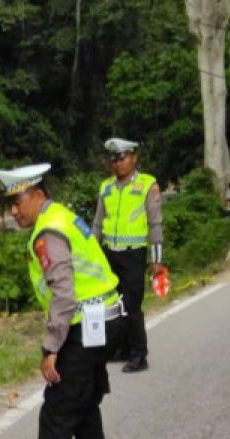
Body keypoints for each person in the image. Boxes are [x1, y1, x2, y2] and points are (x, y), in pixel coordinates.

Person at [0, 162, 123, 439]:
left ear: (37, 195)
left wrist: (51, 348)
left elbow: (63, 296)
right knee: (83, 400)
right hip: (106, 320)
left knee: (58, 410)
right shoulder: (62, 215)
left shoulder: (47, 232)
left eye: (18, 202)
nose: (13, 211)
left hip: (84, 326)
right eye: (10, 204)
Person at [92, 137, 165, 373]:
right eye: (113, 160)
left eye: (122, 158)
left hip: (134, 255)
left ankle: (139, 355)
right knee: (114, 305)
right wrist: (92, 254)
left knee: (132, 306)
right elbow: (97, 224)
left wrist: (156, 260)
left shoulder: (147, 184)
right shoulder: (106, 187)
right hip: (109, 254)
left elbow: (155, 224)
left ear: (133, 157)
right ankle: (121, 349)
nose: (117, 164)